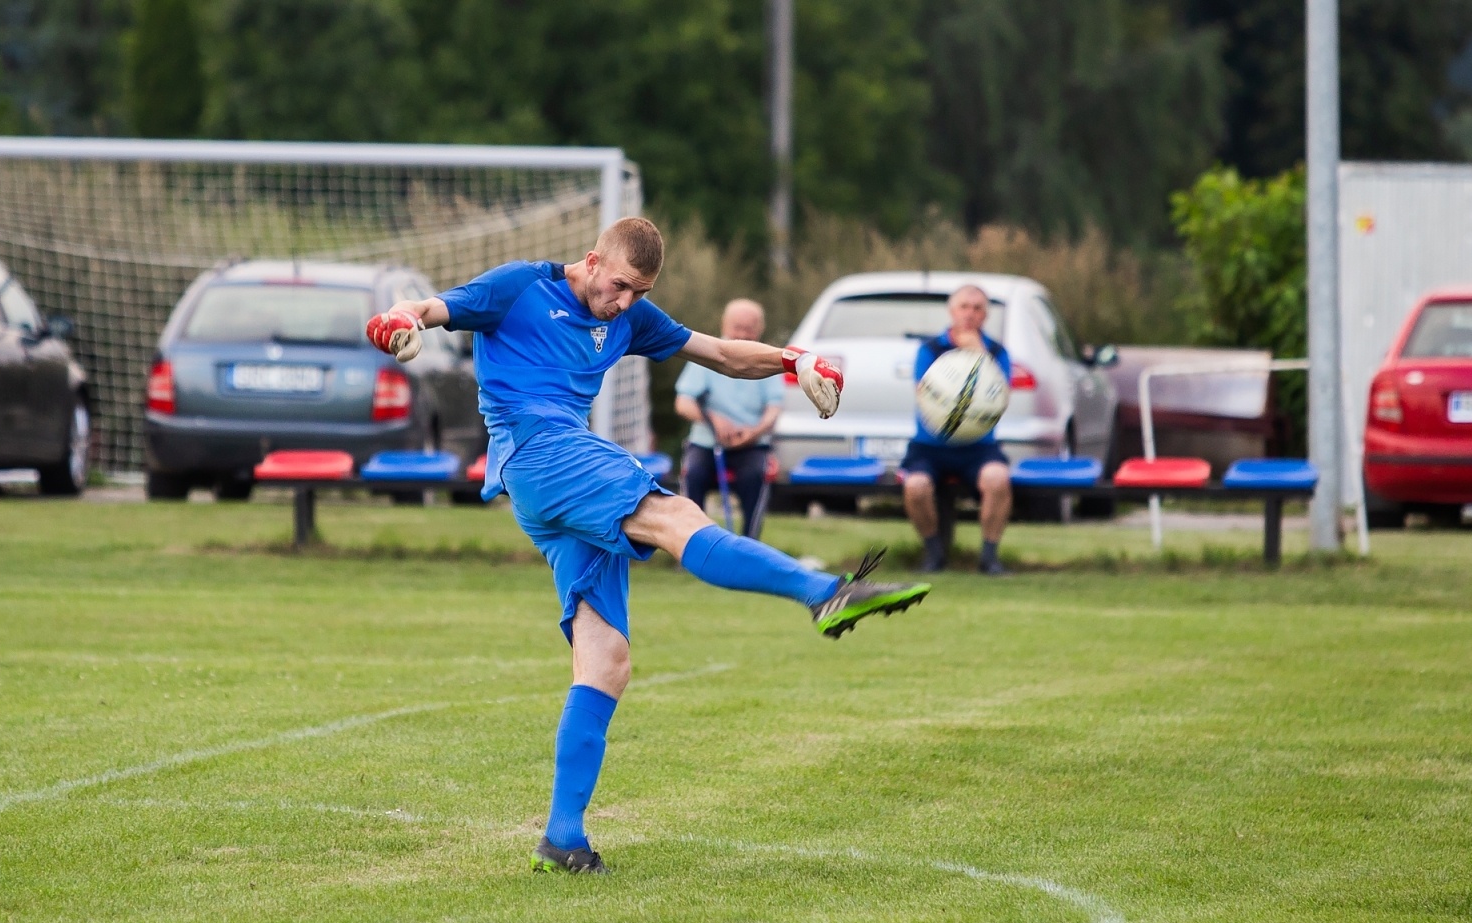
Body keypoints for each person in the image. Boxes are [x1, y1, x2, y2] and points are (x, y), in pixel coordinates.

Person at [367, 218, 931, 875]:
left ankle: (562, 839)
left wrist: (794, 360)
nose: (627, 302)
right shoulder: (520, 287)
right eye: (621, 286)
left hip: (552, 483)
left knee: (605, 660)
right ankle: (823, 594)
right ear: (590, 261)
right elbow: (430, 308)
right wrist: (398, 320)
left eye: (641, 292)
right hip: (541, 450)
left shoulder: (630, 314)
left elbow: (718, 353)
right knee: (675, 515)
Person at [901, 284, 1014, 575]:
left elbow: (1001, 398)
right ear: (952, 311)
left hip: (978, 447)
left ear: (985, 315)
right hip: (930, 446)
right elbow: (924, 396)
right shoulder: (930, 350)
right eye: (964, 306)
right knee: (915, 487)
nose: (970, 314)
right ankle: (934, 555)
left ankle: (989, 558)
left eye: (977, 308)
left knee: (998, 479)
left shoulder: (997, 352)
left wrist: (978, 355)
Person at [674, 298, 782, 539]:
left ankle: (750, 548)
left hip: (751, 444)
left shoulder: (769, 358)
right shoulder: (707, 354)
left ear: (759, 329)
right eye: (737, 327)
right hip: (707, 441)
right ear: (724, 325)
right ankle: (690, 543)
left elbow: (775, 408)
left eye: (749, 328)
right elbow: (683, 402)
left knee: (755, 476)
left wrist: (754, 432)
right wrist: (712, 419)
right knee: (693, 474)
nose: (742, 334)